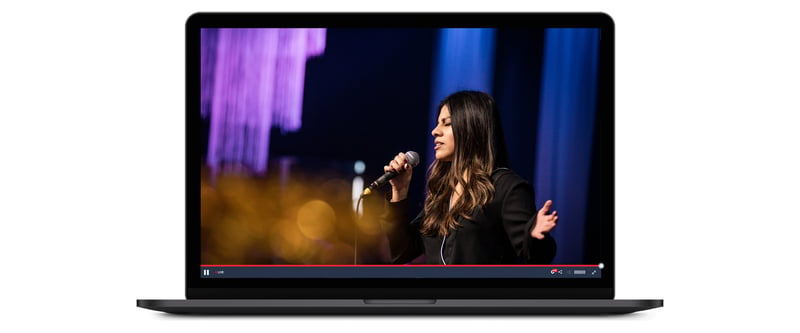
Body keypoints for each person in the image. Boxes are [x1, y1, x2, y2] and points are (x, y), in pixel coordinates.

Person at [380, 91, 557, 265]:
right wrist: (400, 191)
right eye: (437, 124)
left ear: (471, 128)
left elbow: (535, 256)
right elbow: (401, 252)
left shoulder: (506, 187)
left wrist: (535, 235)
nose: (435, 131)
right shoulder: (442, 193)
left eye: (446, 123)